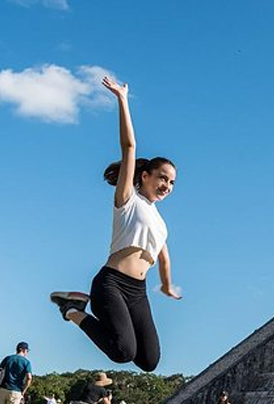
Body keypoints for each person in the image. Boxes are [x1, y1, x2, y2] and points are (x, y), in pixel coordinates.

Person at [50, 76, 181, 373]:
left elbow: (162, 253)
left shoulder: (159, 221)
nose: (167, 185)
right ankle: (72, 310)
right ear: (144, 175)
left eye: (172, 182)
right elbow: (129, 147)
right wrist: (122, 99)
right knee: (122, 351)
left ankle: (75, 306)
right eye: (162, 177)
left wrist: (167, 283)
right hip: (111, 283)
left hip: (138, 290)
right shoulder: (128, 200)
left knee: (148, 361)